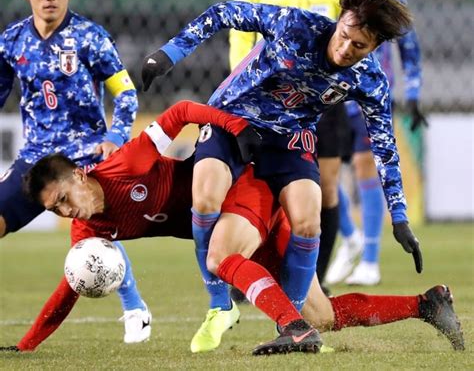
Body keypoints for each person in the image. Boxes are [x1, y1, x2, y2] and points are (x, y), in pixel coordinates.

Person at [0, 102, 464, 354]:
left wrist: (234, 127)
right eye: (55, 211)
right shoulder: (88, 234)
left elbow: (181, 112)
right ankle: (427, 304)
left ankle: (293, 329)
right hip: (240, 223)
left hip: (246, 195)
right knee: (323, 314)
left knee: (219, 257)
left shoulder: (125, 164)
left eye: (64, 199)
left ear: (79, 175)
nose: (67, 213)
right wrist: (26, 347)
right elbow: (70, 287)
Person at [141, 0, 425, 344]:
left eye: (359, 46)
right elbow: (223, 12)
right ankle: (218, 304)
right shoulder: (295, 25)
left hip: (289, 139)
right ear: (339, 20)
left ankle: (291, 329)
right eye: (343, 36)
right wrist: (168, 55)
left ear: (375, 47)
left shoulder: (370, 80)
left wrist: (399, 218)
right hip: (233, 120)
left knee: (309, 219)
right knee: (206, 196)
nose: (344, 49)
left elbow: (384, 146)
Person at [0, 0, 150, 343]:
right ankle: (135, 305)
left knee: (91, 229)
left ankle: (134, 305)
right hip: (36, 162)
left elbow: (127, 94)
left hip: (84, 158)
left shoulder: (90, 38)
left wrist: (115, 137)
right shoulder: (11, 42)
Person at [228, 0, 354, 292]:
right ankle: (247, 271)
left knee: (327, 188)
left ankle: (314, 280)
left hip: (323, 102)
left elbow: (356, 31)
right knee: (265, 185)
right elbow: (239, 33)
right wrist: (239, 90)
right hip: (269, 103)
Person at [325, 0, 428, 287]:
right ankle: (349, 237)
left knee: (368, 169)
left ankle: (369, 258)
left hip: (369, 92)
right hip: (328, 92)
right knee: (322, 172)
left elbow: (410, 45)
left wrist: (413, 93)